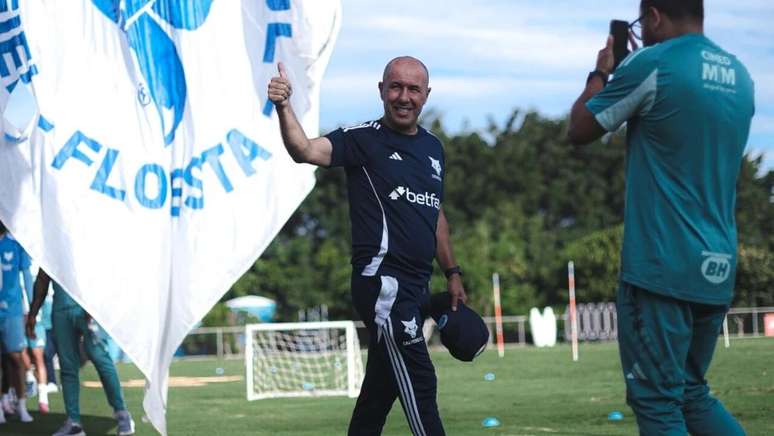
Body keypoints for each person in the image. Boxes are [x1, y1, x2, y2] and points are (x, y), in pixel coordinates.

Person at [567, 1, 754, 434]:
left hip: (662, 265)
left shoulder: (652, 64)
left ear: (652, 16)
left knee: (657, 402)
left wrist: (601, 72)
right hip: (718, 261)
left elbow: (580, 128)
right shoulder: (740, 75)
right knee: (691, 392)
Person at [268, 56, 466, 436]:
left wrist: (452, 272)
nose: (403, 97)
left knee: (380, 391)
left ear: (426, 95)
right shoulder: (362, 138)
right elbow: (304, 150)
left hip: (417, 287)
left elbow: (435, 214)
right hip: (382, 284)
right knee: (420, 382)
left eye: (413, 89)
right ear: (381, 90)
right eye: (396, 87)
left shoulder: (433, 149)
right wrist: (283, 106)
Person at [27, 270, 135, 436]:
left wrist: (96, 301)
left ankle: (122, 413)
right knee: (67, 365)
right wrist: (33, 313)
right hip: (61, 308)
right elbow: (43, 277)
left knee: (99, 357)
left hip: (89, 305)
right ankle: (73, 422)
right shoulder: (50, 243)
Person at [0, 220, 34, 423]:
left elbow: (27, 276)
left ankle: (21, 405)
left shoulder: (15, 244)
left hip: (11, 311)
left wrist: (32, 312)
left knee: (16, 358)